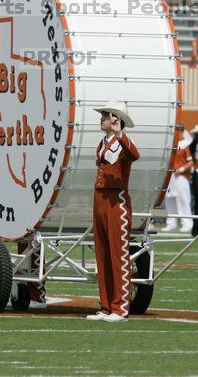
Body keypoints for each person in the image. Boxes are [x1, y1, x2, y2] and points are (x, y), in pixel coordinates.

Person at [86, 100, 140, 323]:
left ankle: (120, 308)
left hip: (116, 201)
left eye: (106, 115)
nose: (102, 118)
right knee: (103, 254)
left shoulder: (124, 142)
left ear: (116, 120)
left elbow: (134, 155)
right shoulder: (103, 141)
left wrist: (120, 135)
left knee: (118, 255)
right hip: (100, 199)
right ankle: (107, 305)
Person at [163, 131, 192, 232]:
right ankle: (171, 223)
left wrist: (182, 170)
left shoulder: (186, 144)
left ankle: (187, 224)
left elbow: (191, 162)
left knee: (183, 199)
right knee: (169, 199)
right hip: (169, 176)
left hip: (181, 176)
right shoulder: (168, 143)